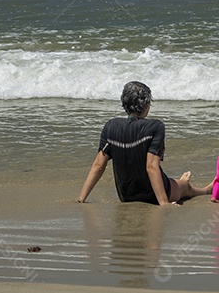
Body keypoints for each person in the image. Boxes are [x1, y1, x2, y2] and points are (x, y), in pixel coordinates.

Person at [78, 81, 210, 206]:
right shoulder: (155, 126)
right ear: (146, 105)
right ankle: (204, 190)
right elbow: (151, 167)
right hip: (153, 195)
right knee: (185, 188)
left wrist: (81, 198)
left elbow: (98, 165)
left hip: (126, 196)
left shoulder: (110, 126)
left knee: (176, 182)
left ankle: (180, 181)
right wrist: (164, 204)